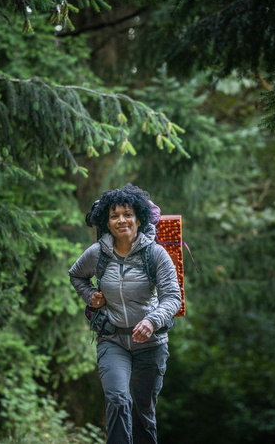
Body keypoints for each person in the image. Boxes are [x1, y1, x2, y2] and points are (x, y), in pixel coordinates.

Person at [69, 184, 182, 443]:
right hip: (112, 339)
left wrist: (152, 321)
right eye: (114, 216)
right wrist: (91, 296)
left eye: (128, 214)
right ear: (106, 223)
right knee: (118, 400)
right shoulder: (98, 254)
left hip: (151, 344)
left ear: (139, 219)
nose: (121, 220)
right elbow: (76, 275)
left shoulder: (155, 254)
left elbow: (173, 297)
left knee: (143, 411)